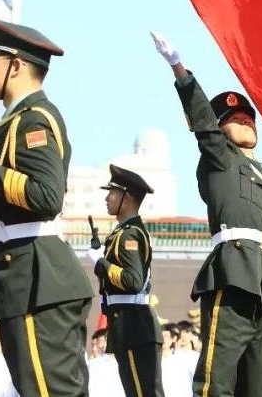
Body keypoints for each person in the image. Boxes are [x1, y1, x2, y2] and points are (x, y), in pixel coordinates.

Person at [0, 18, 93, 396]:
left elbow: (47, 197)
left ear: (16, 65)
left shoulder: (33, 121)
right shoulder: (12, 123)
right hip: (23, 273)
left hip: (35, 276)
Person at [151, 32, 262, 396]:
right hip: (233, 273)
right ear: (220, 129)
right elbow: (203, 123)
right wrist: (179, 69)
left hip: (260, 283)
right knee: (216, 380)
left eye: (249, 118)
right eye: (235, 118)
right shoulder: (221, 159)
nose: (246, 122)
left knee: (256, 386)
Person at [88, 164, 164, 397]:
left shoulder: (131, 234)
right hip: (128, 324)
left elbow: (133, 280)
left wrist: (100, 263)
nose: (107, 198)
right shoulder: (123, 232)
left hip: (133, 325)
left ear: (127, 198)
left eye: (112, 193)